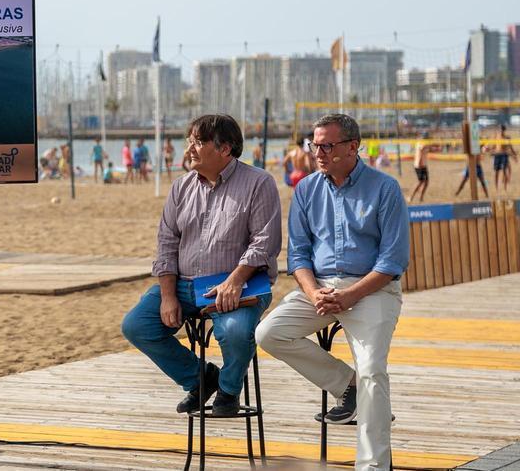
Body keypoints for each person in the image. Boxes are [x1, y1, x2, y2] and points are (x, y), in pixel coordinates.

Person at [256, 114, 408, 471]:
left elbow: (392, 261)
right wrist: (313, 293)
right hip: (320, 290)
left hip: (372, 290)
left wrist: (351, 295)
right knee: (269, 333)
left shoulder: (385, 189)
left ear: (353, 147)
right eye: (315, 145)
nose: (318, 152)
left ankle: (372, 466)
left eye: (327, 145)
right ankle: (346, 385)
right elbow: (298, 255)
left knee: (372, 369)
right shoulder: (306, 189)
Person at [121, 114, 281, 417]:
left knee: (235, 332)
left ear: (225, 149)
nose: (189, 148)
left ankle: (229, 391)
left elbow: (266, 242)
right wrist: (168, 295)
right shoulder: (181, 188)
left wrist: (234, 280)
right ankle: (201, 378)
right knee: (136, 326)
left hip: (241, 284)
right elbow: (166, 244)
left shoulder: (259, 183)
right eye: (189, 141)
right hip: (184, 285)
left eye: (199, 142)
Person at [409, 133, 437, 203]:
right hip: (418, 165)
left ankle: (421, 198)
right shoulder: (420, 143)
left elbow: (430, 149)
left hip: (424, 165)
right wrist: (431, 144)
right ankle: (411, 197)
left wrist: (434, 147)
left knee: (426, 182)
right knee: (420, 182)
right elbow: (422, 148)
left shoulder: (425, 144)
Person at [492, 125, 517, 194]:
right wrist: (490, 150)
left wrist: (514, 156)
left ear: (504, 130)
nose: (501, 131)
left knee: (504, 171)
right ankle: (496, 188)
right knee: (496, 172)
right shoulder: (496, 137)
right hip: (497, 155)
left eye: (502, 130)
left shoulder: (507, 137)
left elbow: (511, 147)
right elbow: (493, 146)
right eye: (500, 130)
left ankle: (504, 188)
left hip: (504, 155)